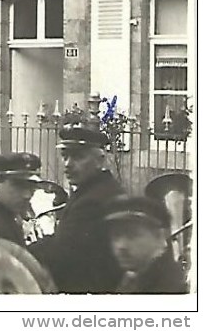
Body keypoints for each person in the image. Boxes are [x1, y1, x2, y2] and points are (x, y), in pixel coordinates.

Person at [29, 125, 125, 294]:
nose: (68, 164)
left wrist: (22, 251)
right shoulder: (94, 190)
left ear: (100, 160)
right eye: (65, 156)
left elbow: (62, 251)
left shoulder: (93, 201)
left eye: (78, 157)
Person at [104, 195, 188, 294]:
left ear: (158, 236)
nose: (121, 246)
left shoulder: (172, 287)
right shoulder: (131, 279)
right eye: (116, 236)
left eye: (132, 234)